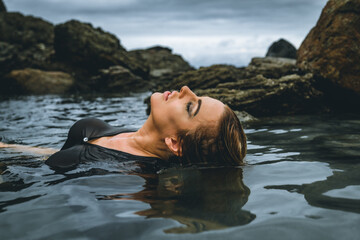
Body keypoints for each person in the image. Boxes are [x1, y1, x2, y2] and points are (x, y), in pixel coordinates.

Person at [1, 86, 247, 171]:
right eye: (196, 95)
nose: (185, 89)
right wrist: (7, 147)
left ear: (175, 143)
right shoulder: (128, 135)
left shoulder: (126, 177)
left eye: (190, 106)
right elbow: (56, 156)